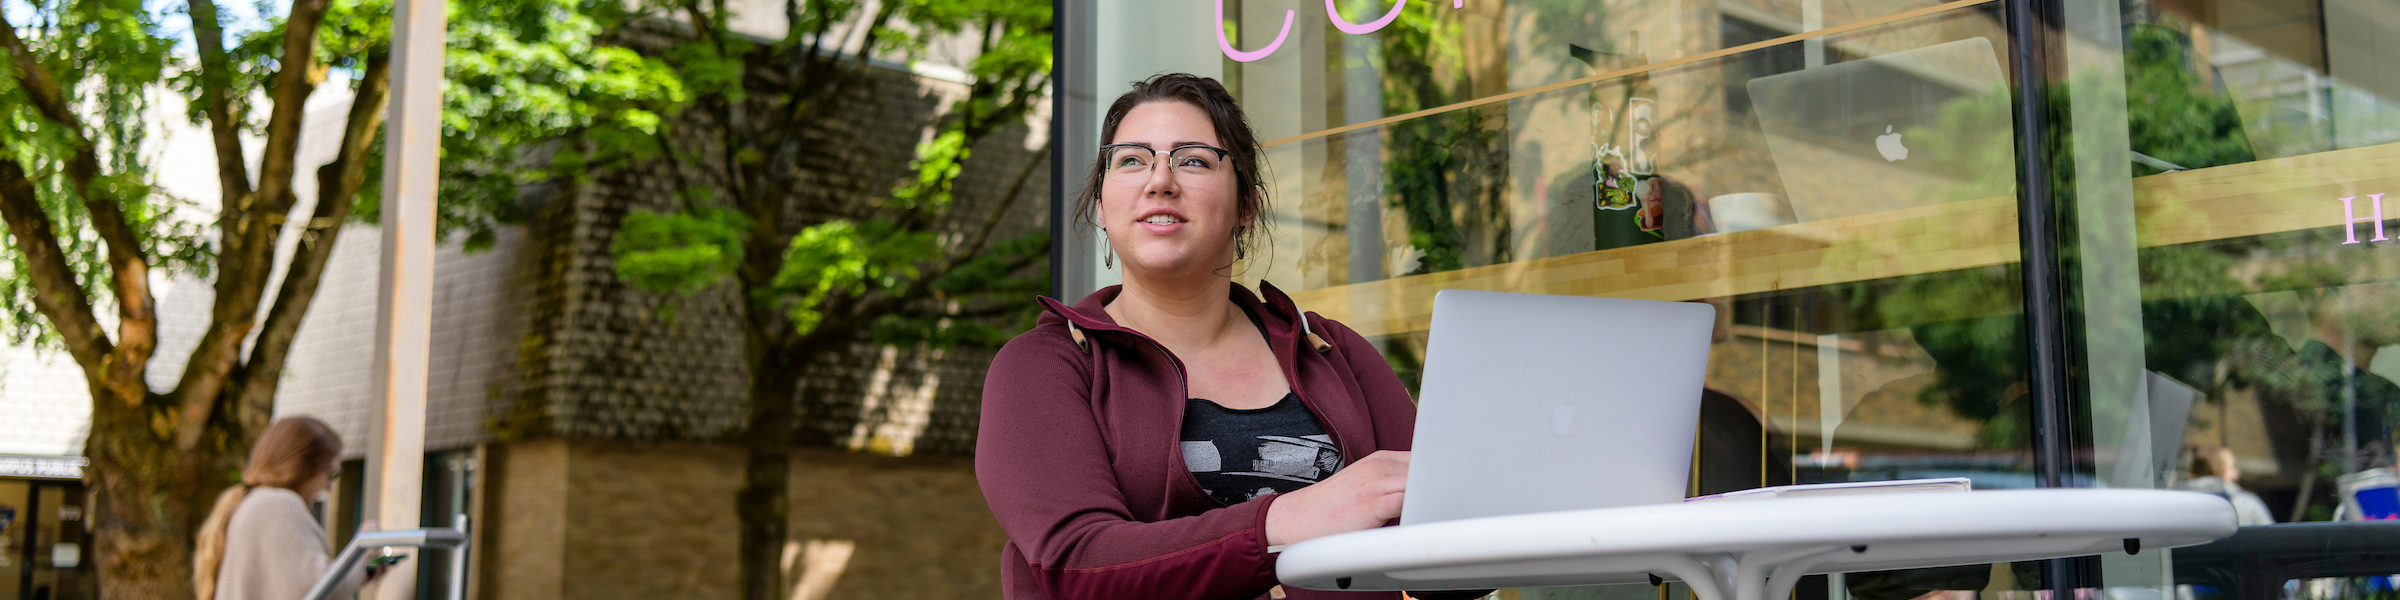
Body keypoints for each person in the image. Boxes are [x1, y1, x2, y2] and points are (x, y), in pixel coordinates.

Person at [975, 73, 1485, 600]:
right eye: (1131, 159)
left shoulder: (1330, 350)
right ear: (1102, 206)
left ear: (1247, 206)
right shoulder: (1045, 365)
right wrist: (1288, 519)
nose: (1160, 180)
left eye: (1193, 159)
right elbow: (1077, 568)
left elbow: (1444, 565)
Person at [193, 417, 387, 600]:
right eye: (330, 474)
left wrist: (361, 570)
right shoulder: (279, 504)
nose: (329, 486)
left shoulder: (251, 503)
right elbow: (320, 588)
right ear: (304, 467)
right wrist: (362, 553)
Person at [2179, 446, 2275, 526]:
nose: (2237, 474)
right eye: (2232, 467)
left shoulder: (2179, 500)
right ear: (2217, 470)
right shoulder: (2247, 503)